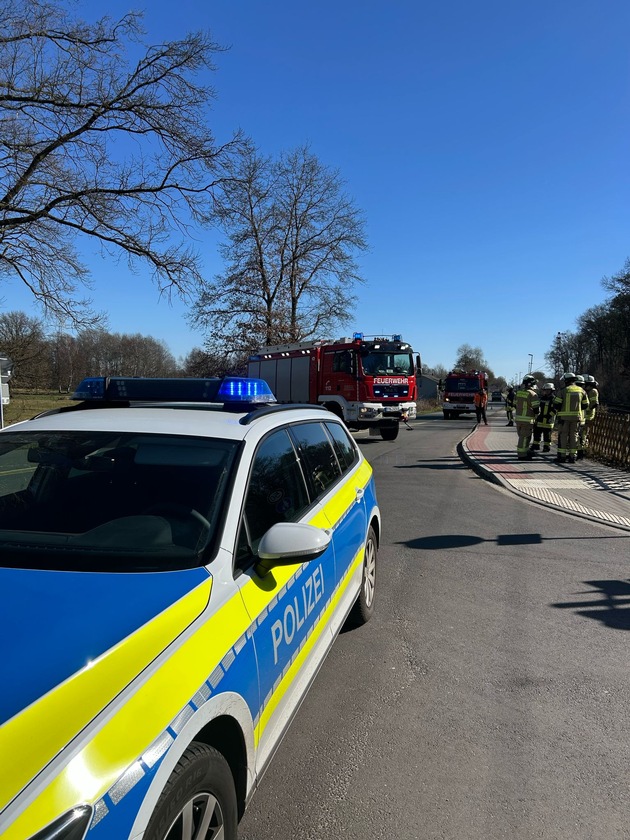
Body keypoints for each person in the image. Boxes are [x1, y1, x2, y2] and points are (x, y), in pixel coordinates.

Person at [553, 372, 589, 464]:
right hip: (576, 417)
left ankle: (562, 456)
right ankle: (573, 456)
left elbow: (556, 404)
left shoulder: (563, 391)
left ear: (566, 381)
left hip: (564, 418)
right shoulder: (581, 391)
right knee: (574, 436)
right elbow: (586, 405)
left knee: (563, 435)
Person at [514, 375, 540, 459]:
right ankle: (522, 455)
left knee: (523, 436)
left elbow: (515, 404)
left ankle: (526, 451)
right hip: (527, 420)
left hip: (518, 419)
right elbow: (536, 408)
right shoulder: (532, 394)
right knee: (525, 437)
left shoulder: (518, 392)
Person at [530, 382, 556, 452]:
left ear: (552, 391)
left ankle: (546, 447)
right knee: (536, 433)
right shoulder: (542, 398)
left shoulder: (553, 399)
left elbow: (555, 410)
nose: (546, 391)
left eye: (548, 390)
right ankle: (536, 445)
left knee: (547, 435)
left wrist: (548, 415)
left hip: (548, 420)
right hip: (540, 419)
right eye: (545, 390)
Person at [578, 374, 600, 459]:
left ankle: (582, 451)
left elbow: (594, 404)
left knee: (583, 433)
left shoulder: (593, 391)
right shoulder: (587, 391)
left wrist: (586, 410)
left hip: (587, 416)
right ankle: (580, 449)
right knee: (581, 433)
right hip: (583, 416)